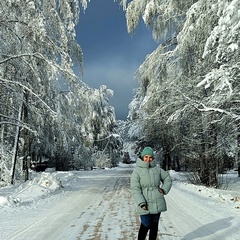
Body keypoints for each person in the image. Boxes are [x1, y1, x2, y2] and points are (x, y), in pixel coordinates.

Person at [131, 147, 172, 240]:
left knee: (154, 226)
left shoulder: (157, 169)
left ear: (153, 158)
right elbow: (135, 189)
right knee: (146, 224)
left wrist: (164, 189)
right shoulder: (137, 171)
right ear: (142, 157)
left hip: (157, 201)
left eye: (150, 157)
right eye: (146, 157)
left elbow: (167, 179)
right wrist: (141, 203)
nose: (148, 159)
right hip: (145, 202)